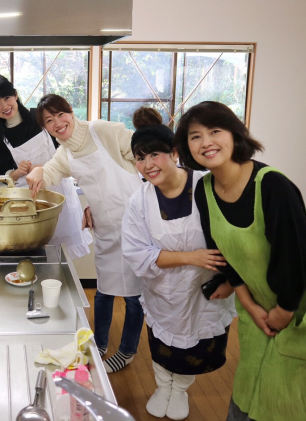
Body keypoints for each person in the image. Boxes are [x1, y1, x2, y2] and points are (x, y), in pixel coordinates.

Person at [173, 101, 306, 421]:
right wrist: (249, 303)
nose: (206, 141)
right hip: (258, 296)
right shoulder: (204, 190)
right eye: (195, 136)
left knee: (286, 388)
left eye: (215, 131)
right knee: (252, 374)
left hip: (305, 296)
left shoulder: (272, 185)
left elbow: (296, 255)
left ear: (235, 135)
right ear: (186, 147)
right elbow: (223, 252)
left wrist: (284, 309)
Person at [121, 114, 236, 419]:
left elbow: (235, 238)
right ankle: (162, 386)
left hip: (205, 291)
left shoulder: (207, 187)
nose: (148, 165)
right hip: (164, 290)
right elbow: (137, 253)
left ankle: (180, 389)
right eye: (140, 158)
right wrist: (191, 257)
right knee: (162, 344)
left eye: (154, 154)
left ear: (173, 153)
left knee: (195, 349)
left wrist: (230, 280)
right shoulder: (139, 201)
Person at [26, 94, 143, 373]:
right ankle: (98, 344)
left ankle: (127, 350)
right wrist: (39, 170)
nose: (57, 123)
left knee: (134, 295)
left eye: (60, 115)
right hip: (104, 226)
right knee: (103, 291)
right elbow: (52, 172)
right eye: (49, 121)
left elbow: (145, 157)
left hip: (138, 226)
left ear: (71, 111)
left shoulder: (103, 130)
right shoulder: (64, 151)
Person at [0, 77, 92, 259]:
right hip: (30, 201)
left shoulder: (40, 118)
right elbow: (4, 177)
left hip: (61, 194)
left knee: (62, 253)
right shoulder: (0, 139)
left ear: (16, 95)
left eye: (7, 98)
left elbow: (66, 149)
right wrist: (18, 171)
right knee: (34, 251)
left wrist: (45, 167)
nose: (4, 106)